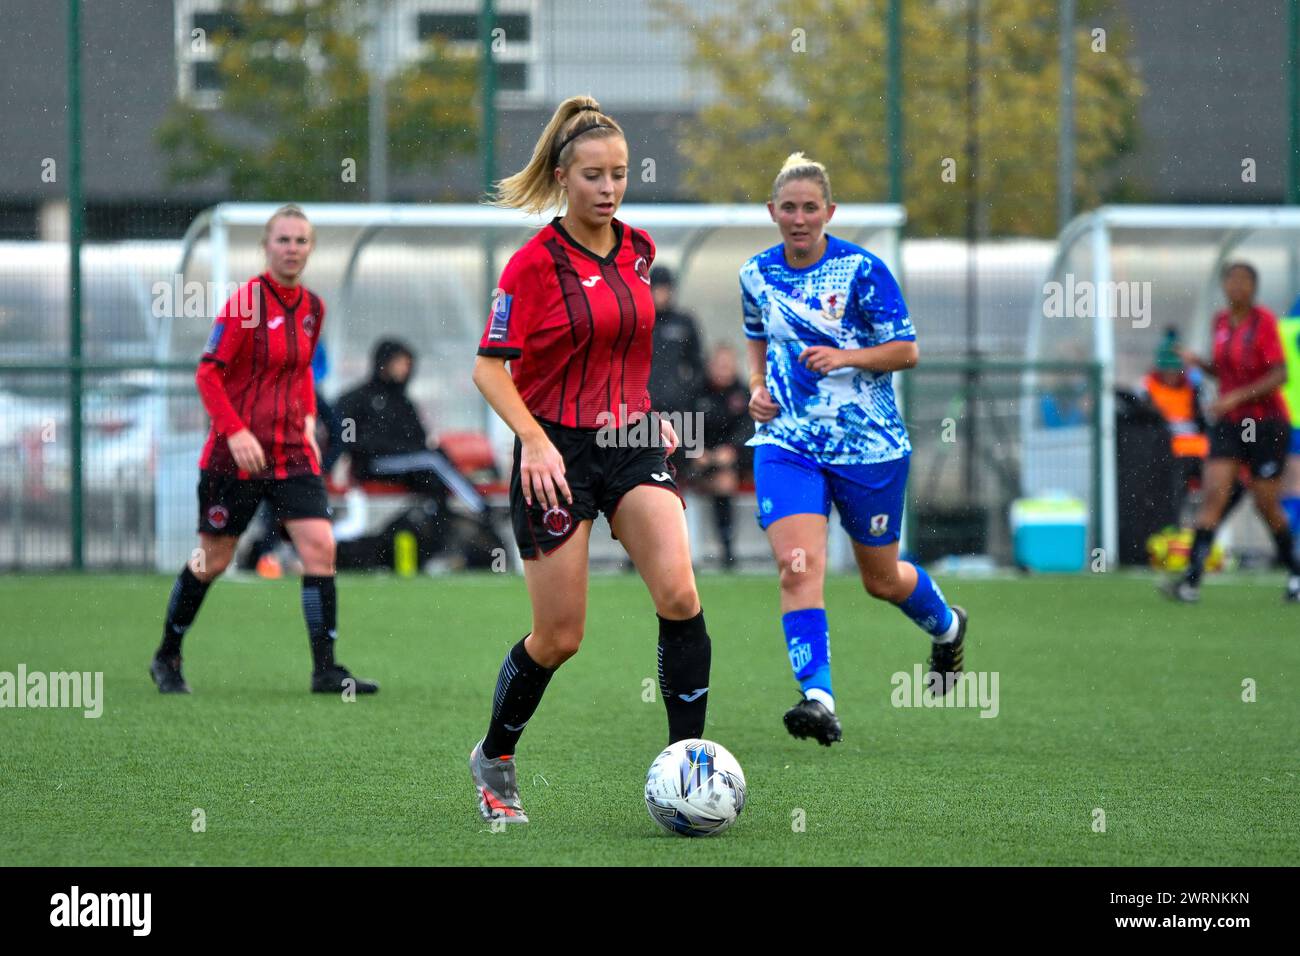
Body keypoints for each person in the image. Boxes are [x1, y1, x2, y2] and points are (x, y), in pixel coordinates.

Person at [468, 95, 712, 823]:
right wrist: (534, 440)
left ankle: (687, 770)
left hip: (630, 441)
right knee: (560, 637)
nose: (609, 188)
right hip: (556, 451)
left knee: (679, 597)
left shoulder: (639, 248)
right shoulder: (532, 265)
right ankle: (495, 757)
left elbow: (629, 351)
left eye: (620, 174)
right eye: (594, 176)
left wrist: (653, 421)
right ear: (563, 178)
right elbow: (487, 368)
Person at [742, 152, 966, 746]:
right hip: (787, 443)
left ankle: (946, 628)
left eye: (809, 207)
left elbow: (906, 352)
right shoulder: (756, 274)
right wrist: (758, 391)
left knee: (882, 579)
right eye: (787, 207)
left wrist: (845, 357)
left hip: (868, 447)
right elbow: (757, 339)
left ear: (829, 212)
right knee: (799, 567)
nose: (798, 217)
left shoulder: (864, 271)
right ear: (772, 212)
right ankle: (818, 698)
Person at [150, 204, 378, 695]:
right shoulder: (245, 303)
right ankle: (167, 654)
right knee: (212, 561)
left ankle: (325, 670)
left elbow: (299, 374)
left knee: (321, 548)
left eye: (301, 241)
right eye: (283, 240)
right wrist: (234, 431)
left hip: (291, 455)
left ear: (310, 248)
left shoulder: (314, 308)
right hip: (234, 459)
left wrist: (310, 417)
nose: (292, 249)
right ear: (266, 247)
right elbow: (207, 373)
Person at [1164, 262, 1300, 602]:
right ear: (1224, 286)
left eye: (1244, 281)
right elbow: (1225, 372)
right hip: (1231, 423)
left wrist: (1237, 397)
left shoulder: (1263, 322)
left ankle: (1296, 573)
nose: (1237, 287)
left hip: (1262, 423)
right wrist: (1198, 362)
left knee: (1264, 502)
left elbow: (1279, 375)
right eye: (1231, 280)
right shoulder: (1221, 322)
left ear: (1254, 287)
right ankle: (1191, 582)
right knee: (1213, 494)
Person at [335, 338, 489, 523]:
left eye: (407, 364)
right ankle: (481, 508)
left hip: (404, 462)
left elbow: (418, 438)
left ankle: (440, 522)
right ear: (384, 362)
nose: (404, 369)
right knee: (431, 461)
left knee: (432, 470)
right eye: (399, 363)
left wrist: (415, 450)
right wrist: (397, 448)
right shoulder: (356, 398)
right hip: (371, 463)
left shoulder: (403, 402)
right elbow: (349, 439)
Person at [688, 343, 753, 568]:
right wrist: (695, 449)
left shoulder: (744, 394)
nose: (722, 371)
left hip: (734, 461)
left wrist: (732, 449)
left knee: (725, 481)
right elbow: (681, 423)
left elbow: (749, 429)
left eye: (727, 366)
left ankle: (727, 549)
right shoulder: (695, 391)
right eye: (718, 365)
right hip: (697, 459)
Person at [647, 265, 706, 432]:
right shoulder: (641, 322)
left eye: (664, 289)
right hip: (643, 406)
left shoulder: (684, 322)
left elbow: (698, 363)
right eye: (656, 289)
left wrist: (685, 392)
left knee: (677, 451)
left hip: (676, 406)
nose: (660, 294)